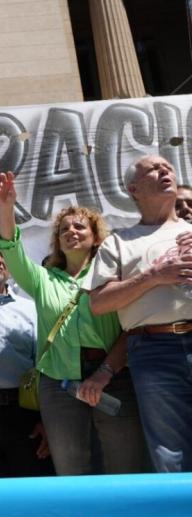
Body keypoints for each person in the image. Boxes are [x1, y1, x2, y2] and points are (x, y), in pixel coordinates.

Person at [0, 172, 147, 476]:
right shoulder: (41, 278)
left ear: (96, 236)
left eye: (79, 226)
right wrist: (6, 208)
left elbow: (131, 330)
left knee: (125, 467)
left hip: (114, 376)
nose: (70, 231)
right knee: (71, 469)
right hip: (58, 383)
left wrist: (103, 374)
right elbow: (10, 246)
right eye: (63, 229)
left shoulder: (117, 276)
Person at [87, 155, 192, 472]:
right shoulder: (119, 242)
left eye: (168, 167)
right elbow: (99, 303)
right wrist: (154, 275)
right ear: (133, 189)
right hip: (153, 351)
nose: (165, 171)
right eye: (154, 169)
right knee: (170, 451)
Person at [0, 244, 52, 478]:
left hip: (22, 415)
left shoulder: (31, 310)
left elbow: (44, 368)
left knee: (27, 488)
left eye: (4, 255)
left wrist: (46, 421)